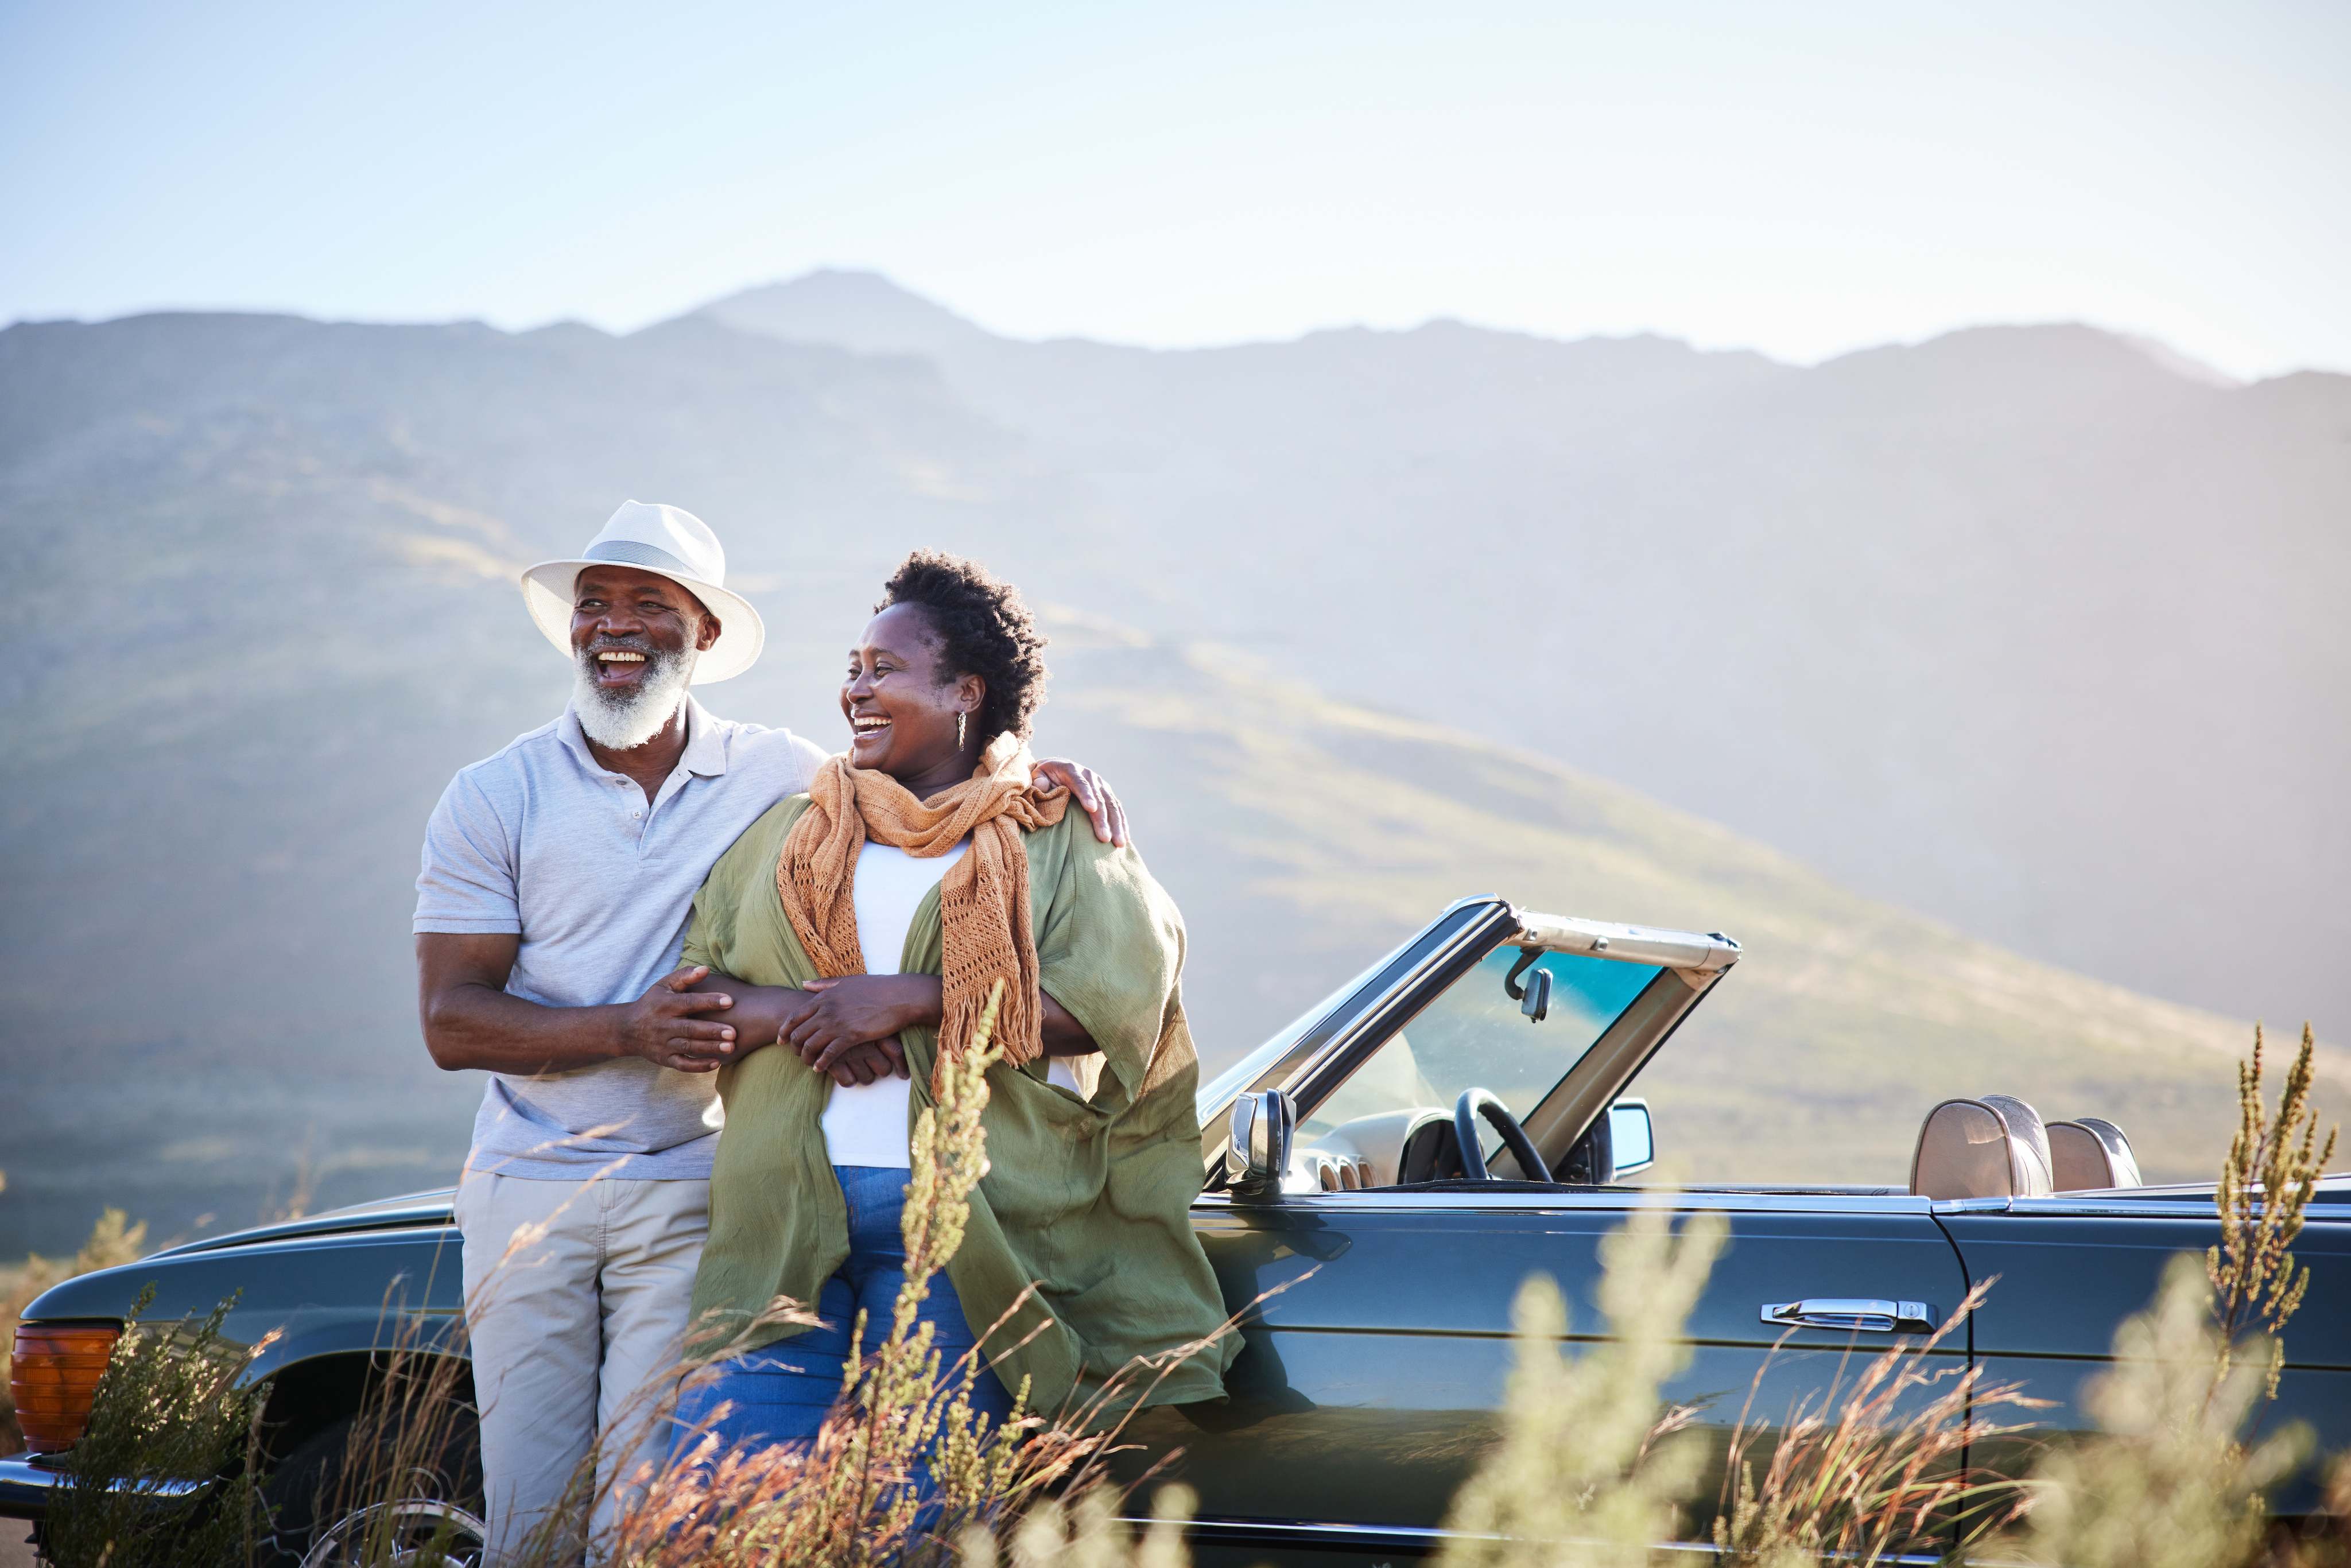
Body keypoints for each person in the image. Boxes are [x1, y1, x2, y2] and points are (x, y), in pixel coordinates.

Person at [412, 503, 1128, 1566]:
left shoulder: (788, 778)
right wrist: (638, 1026)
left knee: (655, 1521)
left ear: (702, 634)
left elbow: (936, 781)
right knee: (526, 1519)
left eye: (650, 605)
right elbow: (450, 1021)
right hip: (529, 1183)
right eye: (594, 604)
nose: (614, 626)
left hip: (697, 1185)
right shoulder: (492, 796)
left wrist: (1041, 774)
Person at [670, 550, 1235, 1487]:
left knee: (912, 1514)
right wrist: (807, 1014)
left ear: (967, 689)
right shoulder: (791, 830)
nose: (856, 688)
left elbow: (1112, 1008)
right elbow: (696, 993)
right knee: (722, 1507)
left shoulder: (1055, 832)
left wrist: (913, 999)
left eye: (884, 669)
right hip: (779, 1223)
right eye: (852, 668)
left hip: (961, 1229)